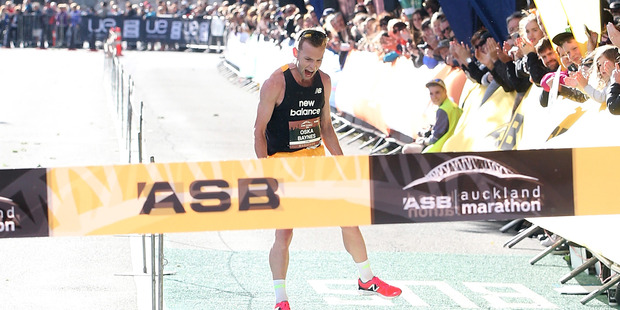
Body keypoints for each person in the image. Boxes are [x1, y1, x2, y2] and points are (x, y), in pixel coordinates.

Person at [253, 28, 402, 310]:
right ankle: (280, 300)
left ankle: (366, 279)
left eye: (319, 60)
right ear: (296, 53)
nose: (312, 67)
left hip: (316, 161)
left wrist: (341, 162)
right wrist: (265, 174)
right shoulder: (275, 83)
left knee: (348, 217)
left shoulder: (324, 81)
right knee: (284, 233)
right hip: (283, 165)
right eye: (308, 59)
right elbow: (258, 132)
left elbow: (326, 128)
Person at [402, 78, 463, 154]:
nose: (434, 97)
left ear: (445, 91)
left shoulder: (443, 110)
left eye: (437, 92)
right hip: (454, 144)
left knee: (406, 149)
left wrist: (422, 141)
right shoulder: (451, 105)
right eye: (431, 93)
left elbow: (434, 139)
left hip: (442, 148)